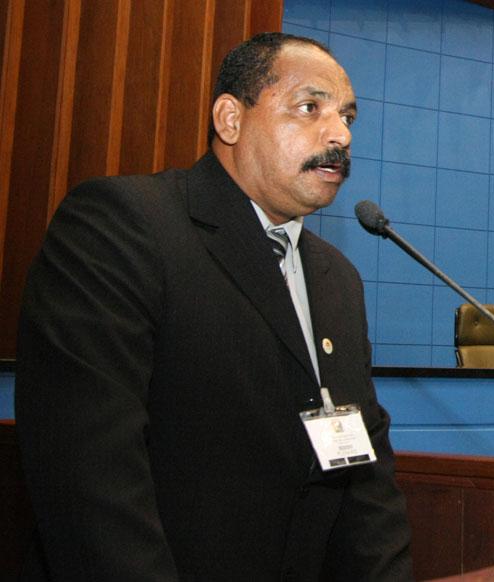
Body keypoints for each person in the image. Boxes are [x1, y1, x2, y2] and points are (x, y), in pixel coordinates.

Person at [16, 33, 412, 580]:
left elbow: (364, 475)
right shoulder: (122, 225)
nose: (340, 134)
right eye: (309, 107)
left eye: (347, 115)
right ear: (230, 119)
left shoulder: (338, 278)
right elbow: (90, 477)